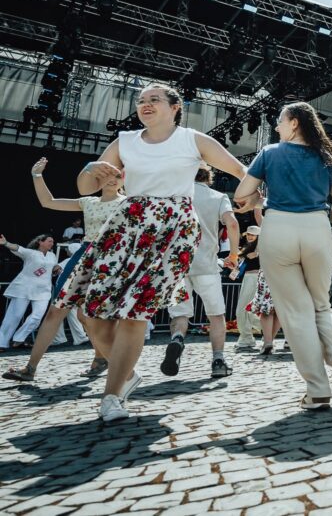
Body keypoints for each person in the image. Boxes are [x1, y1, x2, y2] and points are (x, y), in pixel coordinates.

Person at [55, 83, 251, 421]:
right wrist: (90, 170)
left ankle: (111, 397)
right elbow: (88, 187)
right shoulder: (125, 141)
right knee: (91, 314)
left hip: (172, 229)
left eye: (154, 100)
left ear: (175, 107)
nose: (145, 104)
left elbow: (241, 171)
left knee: (134, 312)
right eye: (141, 100)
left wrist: (250, 196)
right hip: (127, 225)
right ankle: (127, 374)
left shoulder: (193, 140)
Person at [234, 101, 332, 410]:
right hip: (317, 230)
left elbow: (240, 195)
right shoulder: (327, 158)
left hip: (278, 228)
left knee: (296, 312)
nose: (277, 126)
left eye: (280, 121)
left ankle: (318, 390)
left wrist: (258, 197)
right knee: (321, 305)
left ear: (293, 123)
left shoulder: (269, 153)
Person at [2, 158, 124, 382]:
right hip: (84, 255)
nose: (112, 179)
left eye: (117, 175)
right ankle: (30, 368)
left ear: (124, 179)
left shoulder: (129, 203)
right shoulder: (88, 202)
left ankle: (104, 361)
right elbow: (48, 201)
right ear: (98, 178)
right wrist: (37, 175)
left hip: (111, 259)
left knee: (89, 316)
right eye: (107, 174)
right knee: (56, 310)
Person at [161, 164, 240, 379]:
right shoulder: (218, 197)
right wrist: (233, 255)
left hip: (177, 266)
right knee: (216, 315)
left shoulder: (175, 195)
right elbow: (232, 224)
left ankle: (177, 338)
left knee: (180, 314)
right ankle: (218, 360)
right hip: (206, 264)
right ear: (208, 177)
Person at [0, 234, 58, 350]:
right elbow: (17, 248)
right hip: (24, 288)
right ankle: (1, 343)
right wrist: (6, 243)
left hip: (43, 290)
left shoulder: (52, 255)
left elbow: (53, 267)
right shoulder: (30, 253)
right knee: (14, 316)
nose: (52, 243)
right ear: (40, 242)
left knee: (37, 316)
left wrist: (56, 269)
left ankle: (19, 339)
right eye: (49, 241)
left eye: (52, 242)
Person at [233, 225, 263, 349]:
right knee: (246, 311)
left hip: (255, 279)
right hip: (248, 278)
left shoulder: (260, 247)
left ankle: (248, 337)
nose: (250, 236)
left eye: (253, 235)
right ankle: (250, 336)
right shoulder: (247, 247)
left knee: (243, 310)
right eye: (249, 234)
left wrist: (258, 254)